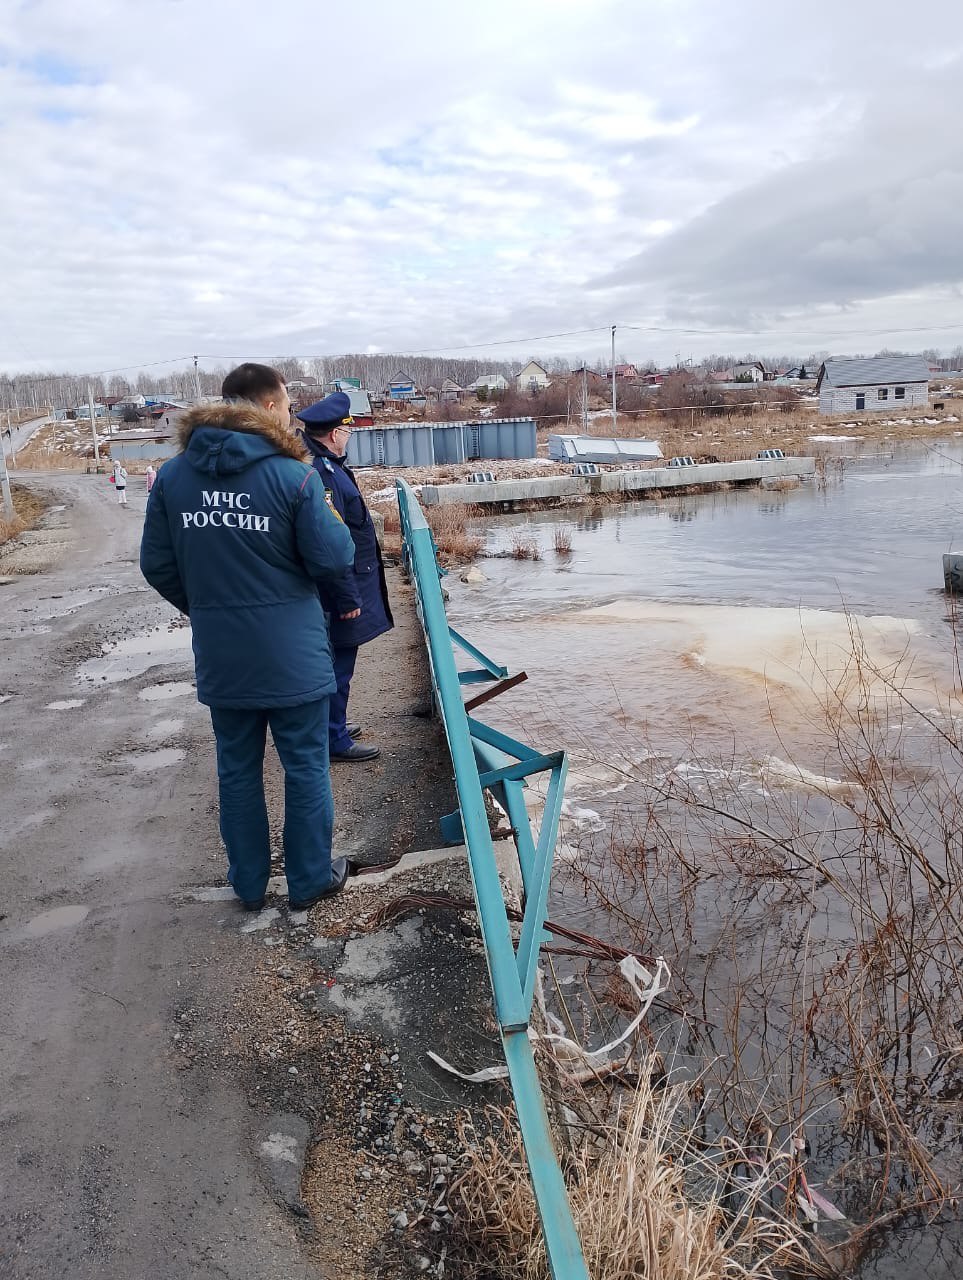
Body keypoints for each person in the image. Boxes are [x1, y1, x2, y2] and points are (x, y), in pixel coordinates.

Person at [140, 363, 356, 912]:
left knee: (236, 769)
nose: (289, 415)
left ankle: (249, 884)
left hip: (223, 653)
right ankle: (308, 881)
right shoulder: (295, 476)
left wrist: (210, 608)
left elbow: (157, 566)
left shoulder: (172, 477)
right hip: (293, 656)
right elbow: (335, 557)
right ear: (266, 407)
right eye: (285, 405)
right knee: (305, 766)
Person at [296, 392, 393, 763]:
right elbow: (330, 545)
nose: (350, 436)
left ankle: (332, 724)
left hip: (346, 585)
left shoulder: (328, 468)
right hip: (341, 590)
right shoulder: (323, 475)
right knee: (338, 665)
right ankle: (333, 739)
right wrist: (347, 597)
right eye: (347, 431)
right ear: (334, 434)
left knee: (336, 661)